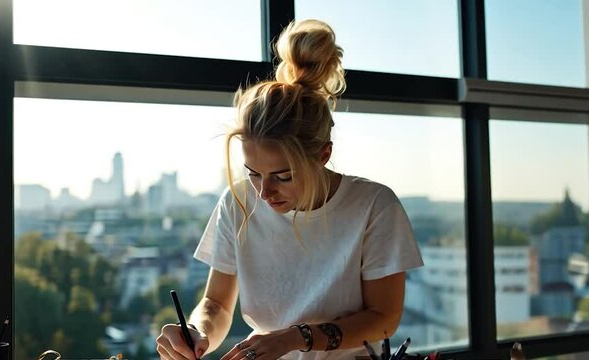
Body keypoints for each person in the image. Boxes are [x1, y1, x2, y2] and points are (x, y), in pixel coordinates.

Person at [156, 19, 423, 360]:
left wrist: (295, 338)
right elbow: (217, 304)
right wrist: (197, 330)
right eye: (253, 173)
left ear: (323, 155)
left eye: (283, 176)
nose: (264, 192)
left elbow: (384, 320)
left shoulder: (373, 206)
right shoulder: (237, 203)